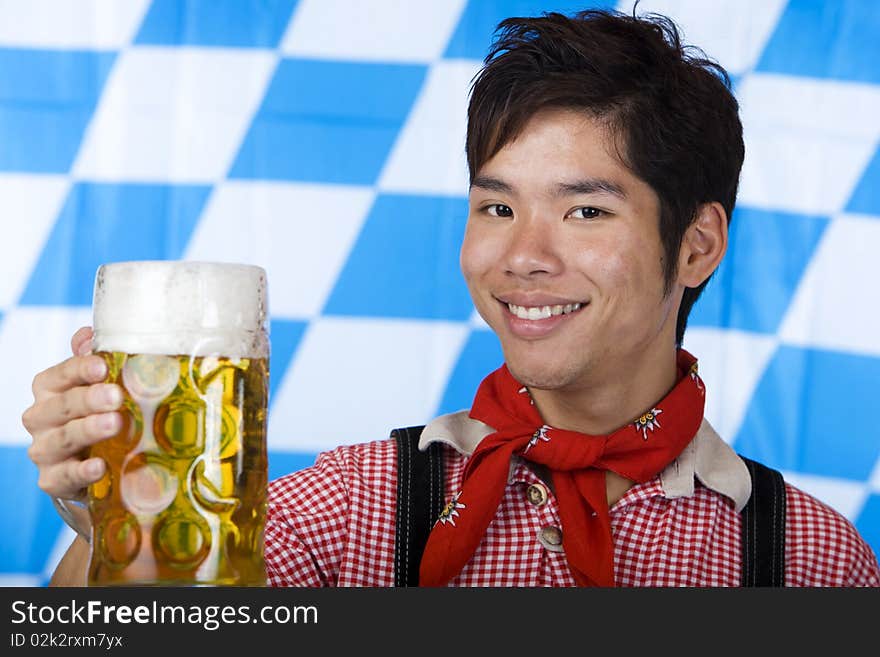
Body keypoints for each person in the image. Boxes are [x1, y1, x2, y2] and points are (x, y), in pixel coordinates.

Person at [24, 8, 879, 587]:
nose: (523, 256)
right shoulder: (363, 504)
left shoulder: (808, 560)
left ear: (697, 245)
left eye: (584, 210)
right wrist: (107, 519)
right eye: (497, 206)